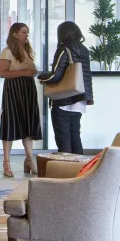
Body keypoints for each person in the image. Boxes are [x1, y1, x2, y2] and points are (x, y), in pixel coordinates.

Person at [38, 21, 94, 155]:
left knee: (63, 138)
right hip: (79, 99)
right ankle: (79, 169)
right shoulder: (84, 50)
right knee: (75, 135)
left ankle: (66, 170)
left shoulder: (64, 49)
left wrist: (42, 77)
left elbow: (56, 75)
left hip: (64, 99)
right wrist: (89, 97)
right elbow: (86, 75)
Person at [0, 23, 41, 178]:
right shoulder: (7, 51)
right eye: (24, 32)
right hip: (14, 89)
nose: (26, 35)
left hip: (28, 88)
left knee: (27, 122)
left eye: (27, 32)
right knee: (11, 122)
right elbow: (2, 73)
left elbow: (29, 70)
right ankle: (6, 162)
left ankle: (30, 159)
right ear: (15, 34)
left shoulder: (28, 51)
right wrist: (24, 72)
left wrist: (32, 72)